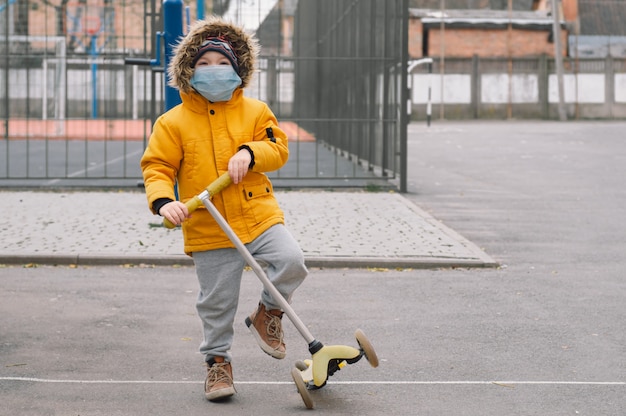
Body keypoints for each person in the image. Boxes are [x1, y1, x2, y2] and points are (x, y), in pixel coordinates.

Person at [140, 16, 308, 402]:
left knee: (291, 260)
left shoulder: (255, 111)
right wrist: (164, 202)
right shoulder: (172, 122)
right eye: (204, 63)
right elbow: (158, 167)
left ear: (238, 70)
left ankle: (268, 314)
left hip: (257, 215)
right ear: (189, 71)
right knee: (216, 303)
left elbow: (278, 148)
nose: (214, 70)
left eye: (223, 64)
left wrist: (250, 152)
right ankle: (218, 363)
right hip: (207, 224)